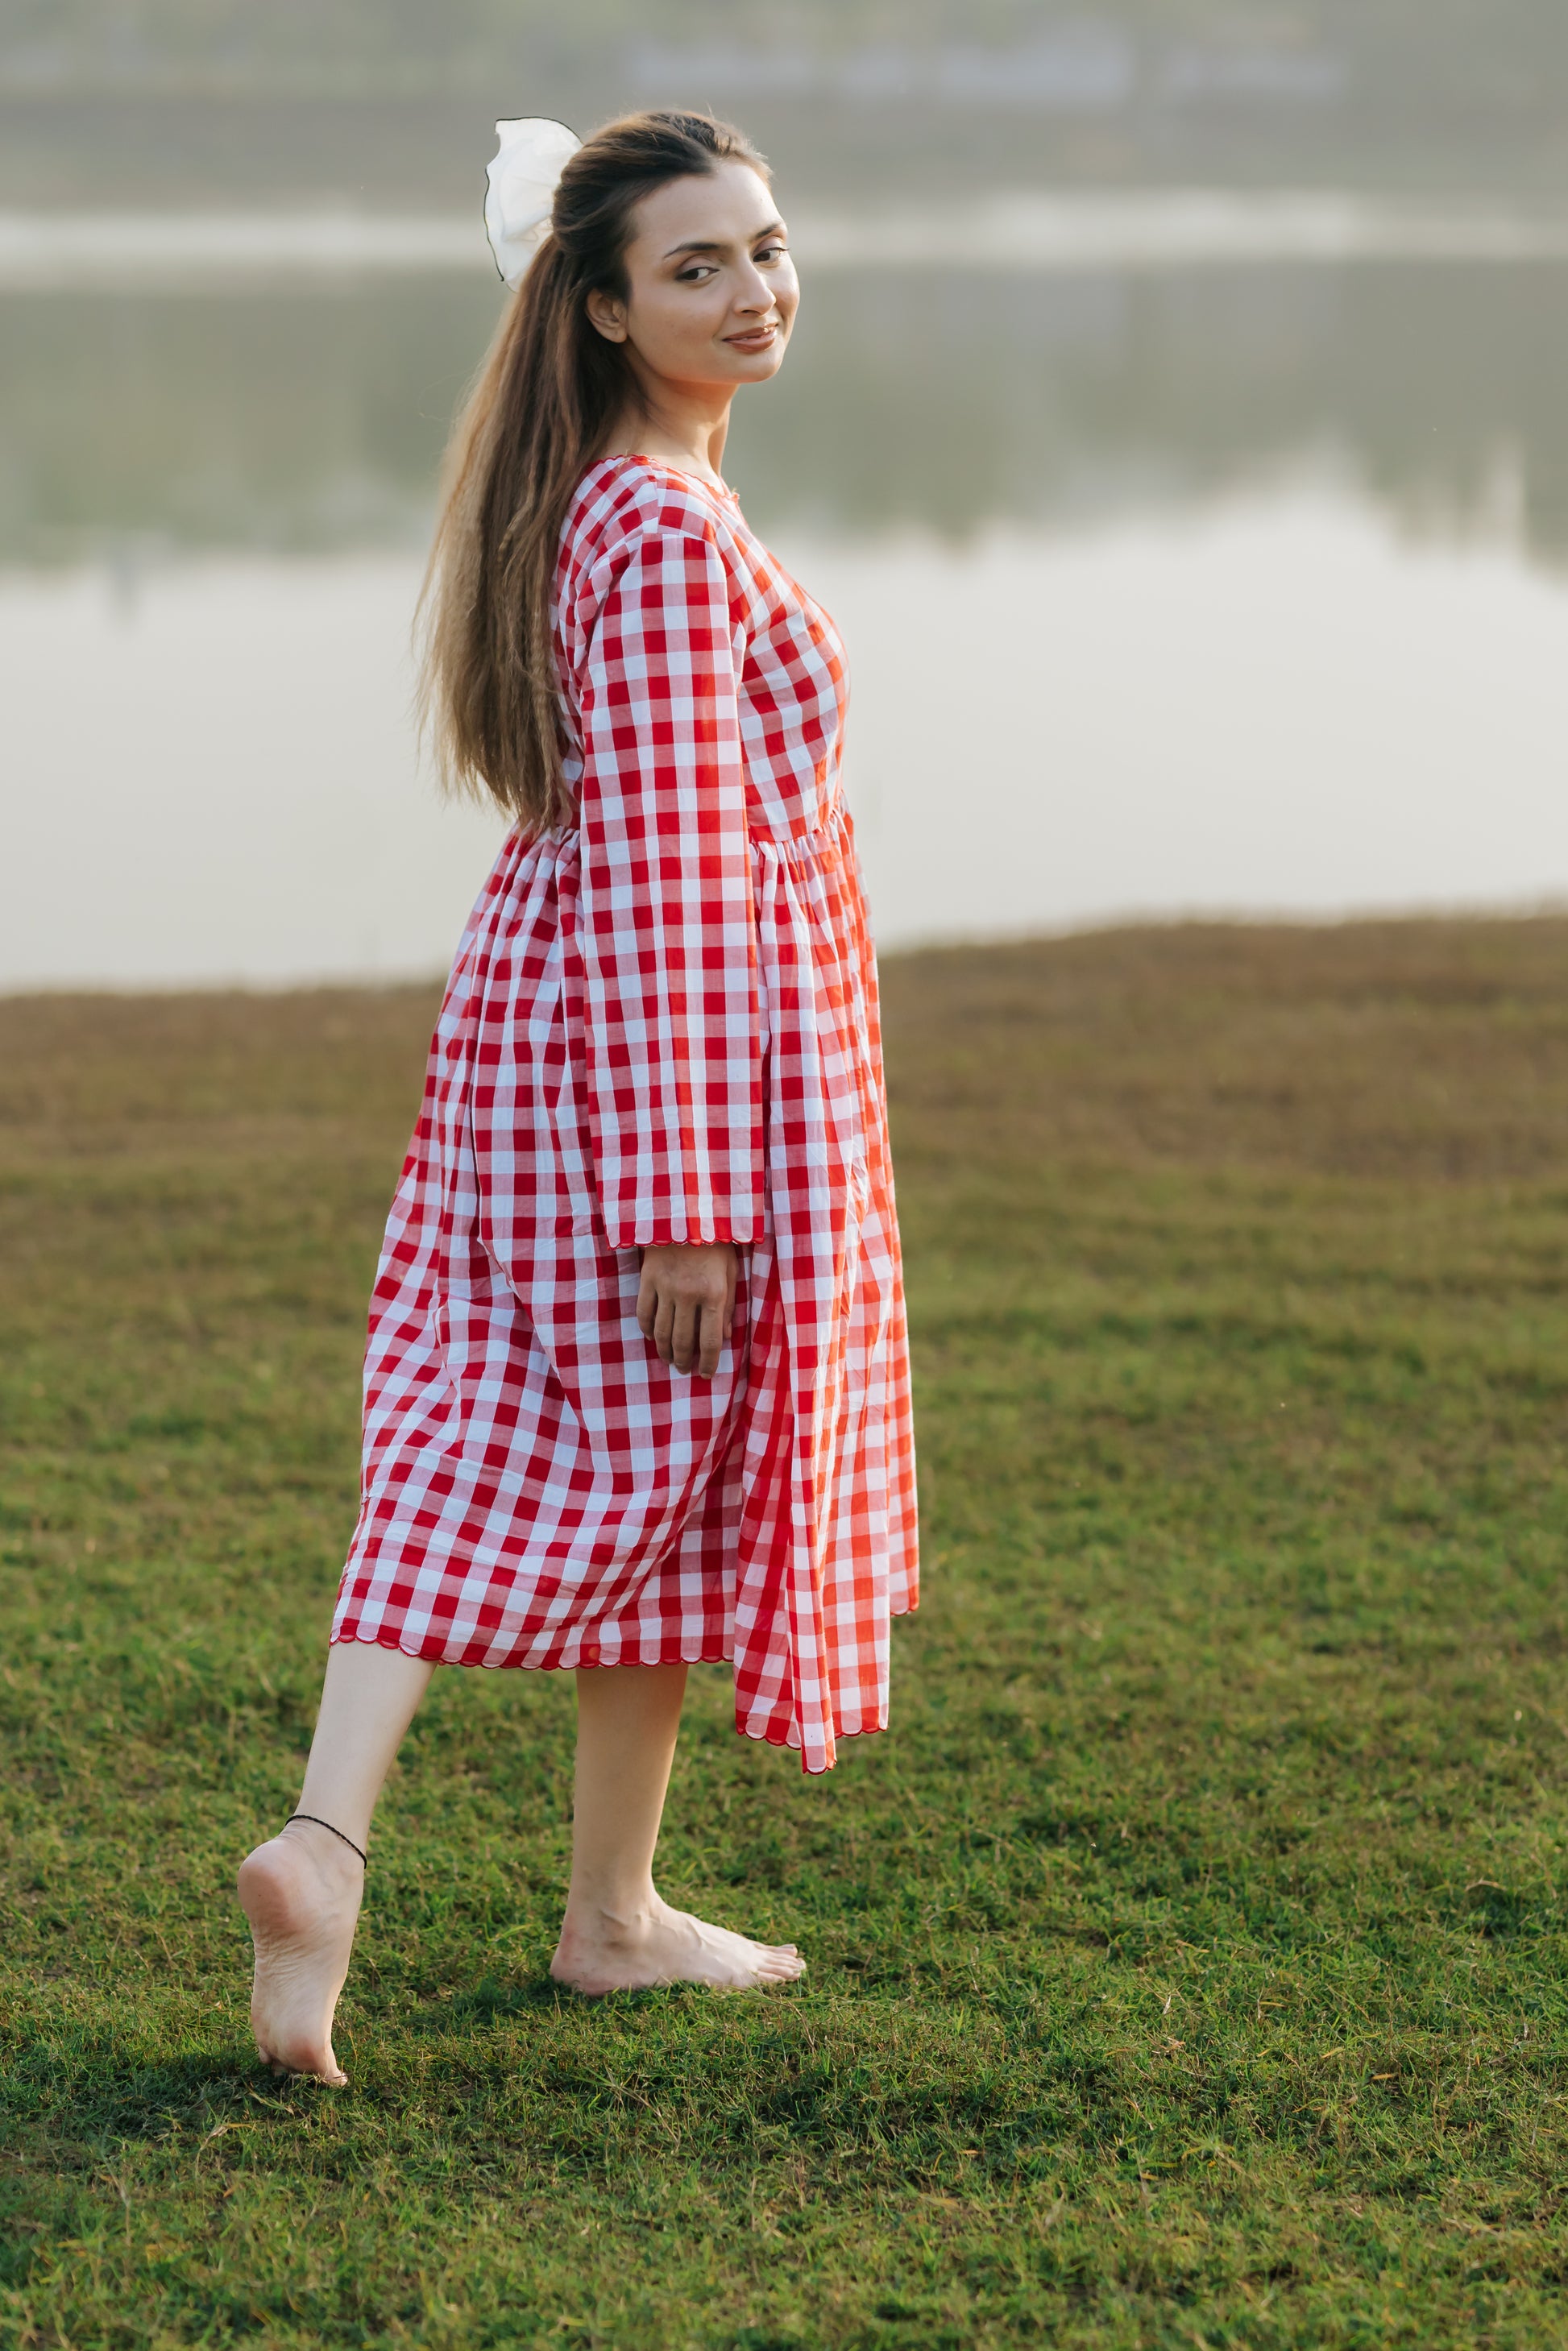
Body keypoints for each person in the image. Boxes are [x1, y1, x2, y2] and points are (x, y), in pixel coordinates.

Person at [237, 108, 918, 2085]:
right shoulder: (655, 525)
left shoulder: (620, 504)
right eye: (695, 266)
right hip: (659, 1059)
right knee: (589, 1433)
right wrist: (682, 1196)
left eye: (766, 248)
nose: (752, 289)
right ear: (605, 307)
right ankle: (371, 1852)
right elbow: (672, 872)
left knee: (590, 1438)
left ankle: (564, 1901)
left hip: (576, 1038)